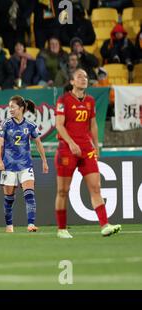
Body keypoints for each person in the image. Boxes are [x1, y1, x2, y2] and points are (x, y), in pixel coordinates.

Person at [54, 69, 121, 238]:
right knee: (63, 190)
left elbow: (93, 125)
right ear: (72, 81)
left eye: (85, 76)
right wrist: (71, 143)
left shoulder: (90, 100)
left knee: (96, 188)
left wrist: (96, 146)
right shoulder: (63, 100)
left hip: (86, 149)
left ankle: (105, 225)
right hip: (66, 149)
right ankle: (61, 229)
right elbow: (59, 125)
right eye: (79, 76)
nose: (83, 79)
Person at [0, 96, 49, 233]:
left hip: (26, 165)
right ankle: (9, 226)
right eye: (9, 107)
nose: (10, 110)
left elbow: (38, 143)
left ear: (21, 108)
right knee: (9, 199)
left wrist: (44, 160)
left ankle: (31, 224)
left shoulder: (30, 125)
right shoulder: (6, 124)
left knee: (29, 194)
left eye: (13, 107)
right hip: (9, 166)